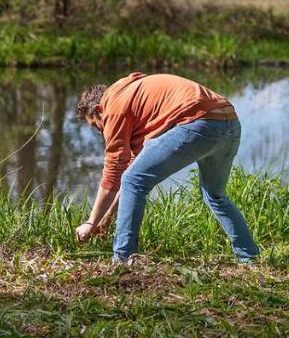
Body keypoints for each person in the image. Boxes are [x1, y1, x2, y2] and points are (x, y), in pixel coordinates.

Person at [73, 72, 260, 263]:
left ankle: (122, 259)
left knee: (133, 180)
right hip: (229, 122)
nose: (101, 131)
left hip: (199, 122)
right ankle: (249, 257)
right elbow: (132, 169)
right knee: (215, 195)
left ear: (98, 108)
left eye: (97, 126)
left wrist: (91, 222)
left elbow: (114, 171)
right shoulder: (135, 96)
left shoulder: (113, 106)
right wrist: (107, 217)